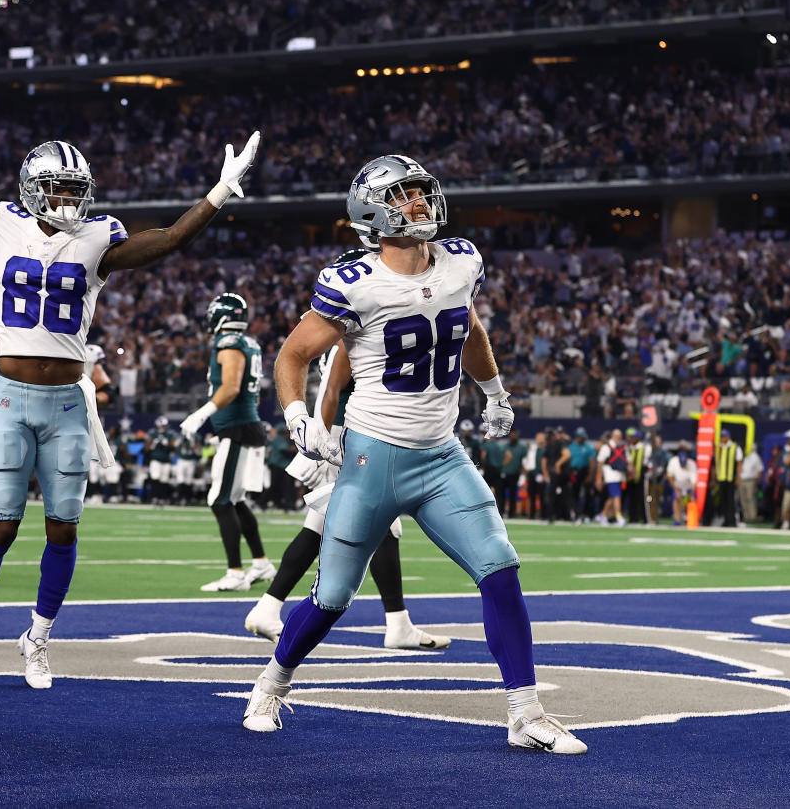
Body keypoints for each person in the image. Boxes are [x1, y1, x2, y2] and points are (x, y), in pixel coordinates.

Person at [0, 77, 260, 688]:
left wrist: (220, 191)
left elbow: (171, 239)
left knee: (64, 526)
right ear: (31, 190)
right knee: (3, 521)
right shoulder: (0, 228)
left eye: (76, 190)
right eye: (59, 189)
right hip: (13, 396)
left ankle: (38, 638)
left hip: (69, 399)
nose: (70, 201)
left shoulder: (99, 239)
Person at [240, 155, 586, 754]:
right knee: (332, 597)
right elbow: (293, 356)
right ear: (374, 211)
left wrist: (496, 391)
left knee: (500, 569)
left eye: (421, 192)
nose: (419, 203)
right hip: (374, 459)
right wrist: (299, 417)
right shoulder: (353, 281)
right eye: (403, 196)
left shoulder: (460, 261)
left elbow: (467, 327)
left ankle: (525, 712)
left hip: (442, 454)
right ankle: (272, 682)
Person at [243, 332, 448, 650]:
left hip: (348, 436)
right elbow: (331, 392)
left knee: (318, 529)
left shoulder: (351, 332)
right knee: (384, 526)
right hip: (346, 441)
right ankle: (397, 624)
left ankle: (267, 608)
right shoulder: (349, 338)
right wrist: (322, 442)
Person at [179, 292, 275, 592]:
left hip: (237, 428)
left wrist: (202, 413)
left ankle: (235, 573)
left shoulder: (228, 343)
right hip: (245, 426)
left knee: (220, 500)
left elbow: (231, 387)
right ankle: (260, 563)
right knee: (234, 500)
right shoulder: (249, 343)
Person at [595, 428, 628, 526]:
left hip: (621, 476)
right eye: (617, 436)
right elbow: (600, 463)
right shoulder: (606, 447)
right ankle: (618, 516)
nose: (619, 438)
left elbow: (628, 461)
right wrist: (599, 478)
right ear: (613, 436)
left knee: (613, 497)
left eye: (620, 436)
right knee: (617, 496)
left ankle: (602, 515)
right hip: (610, 475)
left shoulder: (623, 447)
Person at [711, 428, 742, 527]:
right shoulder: (718, 447)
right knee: (722, 500)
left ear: (728, 437)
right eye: (721, 436)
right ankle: (725, 519)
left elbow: (739, 463)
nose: (722, 438)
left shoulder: (735, 447)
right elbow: (716, 463)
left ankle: (732, 521)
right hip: (721, 477)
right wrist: (714, 477)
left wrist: (738, 477)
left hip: (730, 477)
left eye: (724, 436)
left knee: (731, 500)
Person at [568, 427, 596, 522]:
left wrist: (590, 475)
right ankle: (576, 513)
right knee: (573, 493)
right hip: (574, 472)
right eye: (578, 436)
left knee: (588, 494)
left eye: (581, 436)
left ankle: (587, 514)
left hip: (585, 471)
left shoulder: (589, 447)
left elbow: (592, 463)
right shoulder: (572, 446)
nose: (579, 438)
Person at [145, 415, 175, 505]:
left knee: (164, 480)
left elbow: (173, 447)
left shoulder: (170, 434)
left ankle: (162, 498)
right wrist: (152, 445)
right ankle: (155, 497)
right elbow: (146, 448)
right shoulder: (152, 433)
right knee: (155, 477)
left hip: (166, 460)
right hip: (155, 459)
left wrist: (167, 445)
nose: (162, 428)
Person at [666, 441, 698, 526]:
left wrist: (692, 493)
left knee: (692, 499)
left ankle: (691, 518)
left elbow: (694, 481)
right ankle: (677, 519)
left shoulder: (691, 464)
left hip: (688, 486)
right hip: (678, 485)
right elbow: (670, 476)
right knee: (676, 498)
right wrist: (676, 489)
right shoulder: (673, 461)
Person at [623, 428, 650, 524]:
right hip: (630, 475)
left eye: (634, 437)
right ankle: (633, 517)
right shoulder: (629, 448)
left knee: (642, 497)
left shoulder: (645, 447)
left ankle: (644, 518)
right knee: (632, 497)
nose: (631, 439)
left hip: (641, 474)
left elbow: (646, 462)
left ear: (638, 438)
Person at [499, 429, 524, 518]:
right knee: (501, 494)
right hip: (504, 473)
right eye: (512, 435)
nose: (513, 436)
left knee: (513, 494)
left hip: (514, 473)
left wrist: (523, 472)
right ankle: (501, 512)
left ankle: (511, 513)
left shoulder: (521, 448)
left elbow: (524, 460)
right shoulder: (505, 447)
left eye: (515, 435)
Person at [739, 442, 764, 524]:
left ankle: (753, 516)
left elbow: (760, 469)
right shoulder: (742, 456)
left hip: (751, 480)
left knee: (751, 498)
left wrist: (757, 480)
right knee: (743, 499)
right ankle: (746, 516)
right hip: (742, 480)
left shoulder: (755, 457)